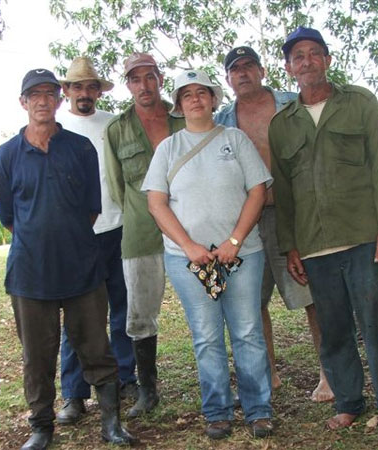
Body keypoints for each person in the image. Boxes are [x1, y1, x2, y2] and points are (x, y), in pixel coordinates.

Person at [269, 26, 378, 438]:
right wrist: (290, 246)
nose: (307, 61)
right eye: (298, 56)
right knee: (333, 330)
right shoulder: (283, 124)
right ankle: (348, 401)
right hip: (314, 247)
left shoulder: (359, 102)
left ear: (327, 60)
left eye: (315, 53)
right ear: (289, 68)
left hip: (364, 237)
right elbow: (283, 188)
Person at [0, 68, 136, 449]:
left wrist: (67, 240)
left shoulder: (80, 148)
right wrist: (42, 241)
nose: (42, 101)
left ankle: (111, 423)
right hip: (30, 275)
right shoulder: (7, 155)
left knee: (96, 348)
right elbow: (9, 217)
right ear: (23, 102)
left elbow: (92, 209)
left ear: (59, 100)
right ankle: (41, 428)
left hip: (82, 269)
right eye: (34, 94)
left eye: (49, 93)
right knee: (37, 357)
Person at [143, 69, 274, 440]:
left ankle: (258, 409)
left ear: (214, 99)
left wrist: (234, 241)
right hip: (189, 261)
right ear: (179, 105)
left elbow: (257, 191)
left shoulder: (235, 139)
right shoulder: (168, 149)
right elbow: (156, 203)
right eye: (187, 95)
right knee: (207, 336)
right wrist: (190, 247)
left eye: (203, 92)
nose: (196, 99)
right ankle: (217, 412)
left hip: (242, 254)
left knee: (248, 332)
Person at [215, 46, 334, 402]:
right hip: (246, 220)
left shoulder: (290, 104)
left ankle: (328, 374)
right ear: (228, 79)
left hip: (293, 214)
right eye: (235, 69)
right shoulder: (221, 121)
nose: (243, 73)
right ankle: (268, 373)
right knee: (252, 300)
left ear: (262, 71)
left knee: (312, 294)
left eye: (249, 66)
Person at [55, 57, 137, 425]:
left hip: (117, 229)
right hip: (76, 238)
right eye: (77, 87)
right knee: (77, 319)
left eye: (91, 87)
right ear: (66, 91)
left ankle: (126, 378)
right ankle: (73, 394)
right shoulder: (55, 129)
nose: (84, 94)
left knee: (122, 311)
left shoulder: (113, 124)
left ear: (98, 91)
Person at [104, 53, 185, 417]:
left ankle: (216, 383)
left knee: (209, 303)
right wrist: (145, 211)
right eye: (135, 79)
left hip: (191, 229)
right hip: (140, 231)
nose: (143, 85)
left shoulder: (182, 120)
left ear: (159, 78)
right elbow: (118, 187)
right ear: (128, 85)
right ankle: (147, 390)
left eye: (149, 77)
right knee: (138, 313)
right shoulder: (117, 129)